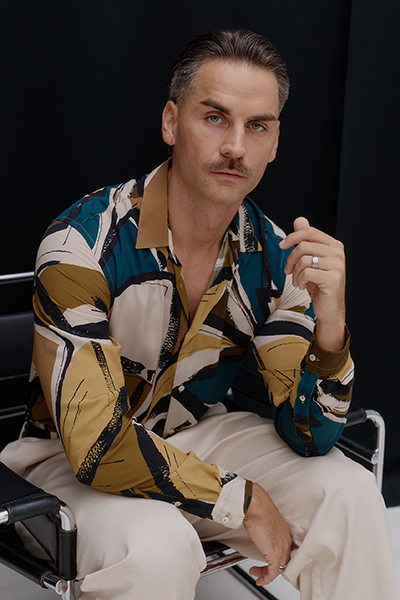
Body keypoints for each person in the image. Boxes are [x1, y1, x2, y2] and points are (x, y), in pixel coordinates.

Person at [1, 28, 399, 600]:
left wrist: (331, 325)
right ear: (171, 123)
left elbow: (310, 435)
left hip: (192, 437)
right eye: (214, 118)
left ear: (275, 142)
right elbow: (95, 444)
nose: (236, 145)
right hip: (67, 460)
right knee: (157, 545)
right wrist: (244, 499)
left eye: (257, 126)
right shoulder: (82, 243)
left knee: (351, 492)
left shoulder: (275, 256)